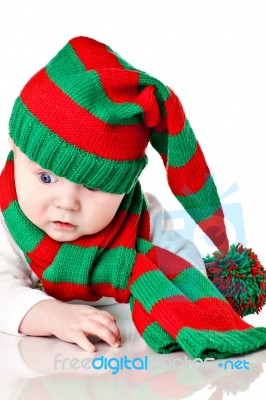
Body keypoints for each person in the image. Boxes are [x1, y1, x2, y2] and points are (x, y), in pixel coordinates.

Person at [0, 36, 265, 358]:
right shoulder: (8, 223)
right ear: (15, 150)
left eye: (94, 186)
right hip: (37, 366)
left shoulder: (144, 218)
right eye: (45, 178)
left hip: (135, 360)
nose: (67, 202)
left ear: (125, 186)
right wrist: (48, 314)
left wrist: (196, 297)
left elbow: (181, 262)